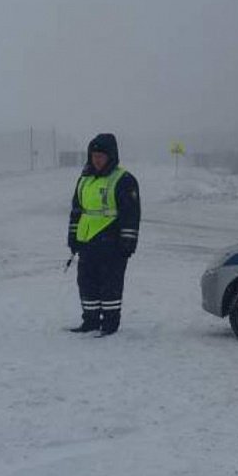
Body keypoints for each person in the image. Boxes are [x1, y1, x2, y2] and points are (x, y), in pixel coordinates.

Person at [66, 133, 140, 336]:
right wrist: (73, 238)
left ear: (111, 156)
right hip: (87, 242)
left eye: (101, 156)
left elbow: (131, 214)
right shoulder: (84, 180)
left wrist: (128, 242)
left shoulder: (124, 180)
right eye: (93, 155)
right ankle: (89, 321)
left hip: (112, 243)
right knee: (86, 282)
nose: (96, 159)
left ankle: (109, 324)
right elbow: (76, 211)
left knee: (110, 286)